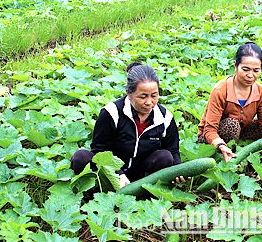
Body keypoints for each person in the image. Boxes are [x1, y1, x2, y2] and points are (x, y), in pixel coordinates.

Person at [70, 62, 189, 190]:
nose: (149, 102)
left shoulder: (165, 117)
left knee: (165, 157)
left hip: (142, 176)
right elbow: (100, 150)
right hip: (110, 174)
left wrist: (179, 168)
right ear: (129, 93)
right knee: (80, 157)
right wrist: (118, 173)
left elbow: (172, 150)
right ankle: (98, 194)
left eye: (154, 95)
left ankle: (143, 196)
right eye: (142, 97)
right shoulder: (111, 113)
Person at [197, 42, 262, 162]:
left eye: (256, 70)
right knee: (232, 125)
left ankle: (255, 154)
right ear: (236, 66)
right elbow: (209, 130)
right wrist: (220, 144)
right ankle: (229, 156)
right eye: (245, 69)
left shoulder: (261, 92)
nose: (250, 75)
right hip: (213, 138)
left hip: (243, 131)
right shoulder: (221, 91)